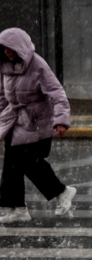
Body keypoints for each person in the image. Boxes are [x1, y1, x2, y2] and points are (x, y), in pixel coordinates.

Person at [0, 28, 75, 224]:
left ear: (20, 48)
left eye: (10, 49)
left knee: (27, 161)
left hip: (36, 122)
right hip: (14, 121)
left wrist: (61, 120)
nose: (7, 52)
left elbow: (57, 93)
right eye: (4, 49)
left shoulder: (37, 65)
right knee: (11, 163)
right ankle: (18, 208)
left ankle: (62, 191)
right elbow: (2, 97)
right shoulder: (4, 66)